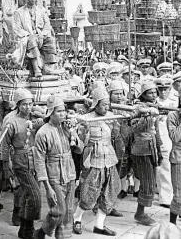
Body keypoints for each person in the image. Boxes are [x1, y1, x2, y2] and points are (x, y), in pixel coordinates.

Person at [34, 93, 83, 239]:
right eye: (59, 111)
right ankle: (41, 232)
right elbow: (39, 161)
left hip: (70, 172)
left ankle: (62, 236)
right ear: (50, 113)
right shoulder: (43, 133)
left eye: (64, 111)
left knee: (68, 211)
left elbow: (80, 149)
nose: (63, 115)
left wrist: (72, 132)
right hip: (54, 175)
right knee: (58, 210)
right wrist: (47, 187)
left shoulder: (66, 128)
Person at [73, 87, 121, 237]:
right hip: (93, 158)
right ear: (96, 104)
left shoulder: (111, 116)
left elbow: (116, 135)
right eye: (103, 105)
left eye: (108, 104)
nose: (106, 107)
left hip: (109, 157)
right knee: (89, 192)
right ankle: (77, 219)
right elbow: (81, 143)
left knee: (111, 190)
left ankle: (99, 225)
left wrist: (116, 126)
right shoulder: (86, 118)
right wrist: (84, 129)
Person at [1, 88, 43, 239]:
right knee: (35, 197)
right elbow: (4, 146)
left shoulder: (35, 118)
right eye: (24, 104)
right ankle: (28, 229)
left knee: (28, 197)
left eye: (30, 104)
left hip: (35, 161)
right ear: (17, 105)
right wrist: (6, 168)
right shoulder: (11, 122)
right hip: (19, 162)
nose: (28, 107)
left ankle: (25, 231)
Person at [129, 80, 163, 226]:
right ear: (143, 95)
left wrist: (159, 148)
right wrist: (147, 116)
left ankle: (142, 211)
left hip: (152, 148)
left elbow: (156, 131)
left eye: (155, 92)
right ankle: (140, 213)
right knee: (147, 182)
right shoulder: (136, 108)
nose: (153, 95)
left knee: (151, 181)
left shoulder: (154, 107)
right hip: (141, 149)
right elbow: (136, 129)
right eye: (150, 92)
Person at [13, 0, 58, 77]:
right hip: (27, 36)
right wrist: (29, 35)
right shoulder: (19, 12)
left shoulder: (42, 11)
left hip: (41, 36)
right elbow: (17, 28)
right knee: (32, 41)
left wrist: (42, 34)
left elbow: (47, 25)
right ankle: (36, 68)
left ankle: (49, 68)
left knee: (51, 40)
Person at [156, 76, 176, 208]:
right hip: (162, 138)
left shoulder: (175, 102)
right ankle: (165, 197)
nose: (163, 92)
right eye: (161, 89)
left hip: (174, 137)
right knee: (164, 167)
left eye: (166, 89)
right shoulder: (154, 102)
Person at [167, 93, 181, 225]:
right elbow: (175, 137)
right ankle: (172, 224)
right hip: (178, 158)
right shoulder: (173, 116)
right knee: (178, 195)